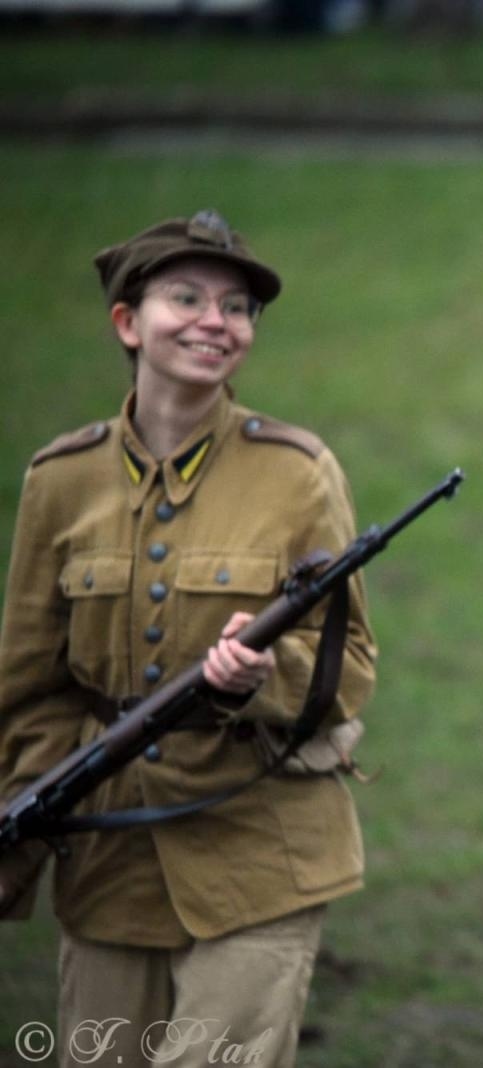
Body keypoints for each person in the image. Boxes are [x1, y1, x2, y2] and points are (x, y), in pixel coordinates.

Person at [0, 211, 377, 1068]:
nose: (217, 320)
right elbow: (28, 688)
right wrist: (17, 846)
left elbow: (349, 665)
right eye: (188, 298)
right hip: (106, 861)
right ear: (128, 323)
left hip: (258, 852)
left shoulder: (296, 471)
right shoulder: (59, 481)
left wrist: (263, 678)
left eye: (237, 307)